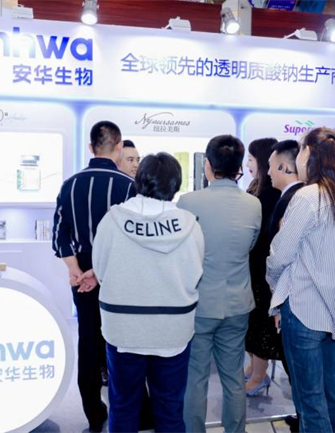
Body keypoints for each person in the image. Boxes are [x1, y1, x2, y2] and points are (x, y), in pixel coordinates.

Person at [92, 152, 204, 433]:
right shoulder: (190, 225)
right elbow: (195, 272)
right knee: (170, 409)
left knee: (123, 406)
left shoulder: (112, 221)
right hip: (173, 330)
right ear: (175, 184)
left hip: (124, 329)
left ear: (139, 180)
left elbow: (101, 272)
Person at [267, 127, 335, 433]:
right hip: (330, 312)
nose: (299, 156)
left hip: (303, 309)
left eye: (302, 149)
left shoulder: (307, 197)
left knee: (310, 403)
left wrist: (275, 287)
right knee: (330, 394)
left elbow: (280, 255)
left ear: (310, 155)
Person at [51, 121, 135, 433]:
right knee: (121, 342)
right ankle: (125, 412)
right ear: (119, 147)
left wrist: (74, 269)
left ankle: (93, 415)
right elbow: (132, 239)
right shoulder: (128, 186)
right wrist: (98, 271)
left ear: (91, 147)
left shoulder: (69, 185)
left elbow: (59, 235)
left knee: (88, 339)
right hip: (117, 271)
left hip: (82, 275)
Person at [180, 135, 262, 433]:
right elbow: (250, 246)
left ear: (208, 165)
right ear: (239, 166)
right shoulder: (253, 204)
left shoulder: (188, 202)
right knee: (233, 379)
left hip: (199, 303)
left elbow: (183, 250)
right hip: (237, 303)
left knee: (195, 379)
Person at [266, 139, 304, 433]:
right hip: (293, 296)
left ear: (283, 166)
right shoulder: (294, 197)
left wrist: (277, 300)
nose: (268, 172)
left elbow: (281, 256)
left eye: (270, 166)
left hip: (293, 297)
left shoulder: (294, 200)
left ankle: (306, 419)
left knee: (299, 368)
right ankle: (304, 415)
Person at [244, 137, 282, 396]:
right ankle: (254, 368)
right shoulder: (255, 188)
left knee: (259, 322)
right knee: (252, 320)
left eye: (251, 158)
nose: (247, 164)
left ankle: (259, 375)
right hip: (252, 266)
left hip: (263, 269)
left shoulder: (271, 195)